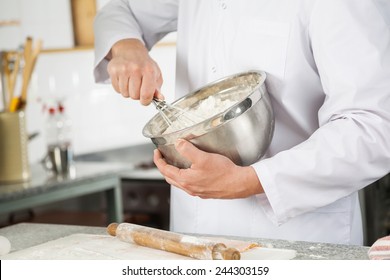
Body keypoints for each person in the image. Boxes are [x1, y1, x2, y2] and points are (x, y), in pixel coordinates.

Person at [93, 0, 390, 245]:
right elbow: (120, 10)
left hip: (297, 238)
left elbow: (374, 125)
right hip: (194, 237)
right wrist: (128, 47)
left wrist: (251, 180)